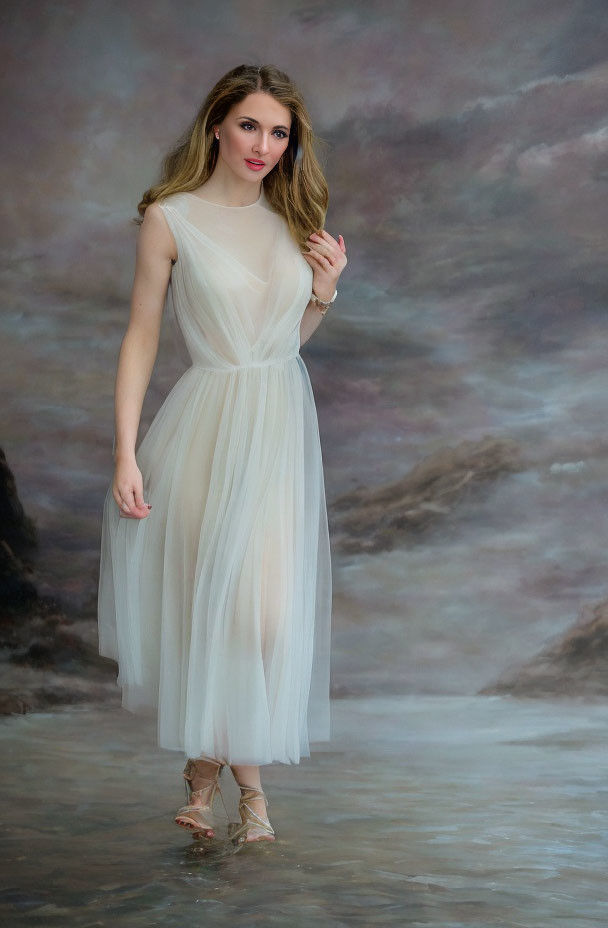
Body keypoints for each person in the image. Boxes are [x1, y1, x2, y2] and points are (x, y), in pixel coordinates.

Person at [97, 63, 347, 845]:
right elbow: (141, 337)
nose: (264, 145)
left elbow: (277, 349)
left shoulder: (291, 220)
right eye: (250, 125)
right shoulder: (171, 218)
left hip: (275, 432)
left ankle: (203, 776)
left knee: (264, 619)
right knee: (221, 610)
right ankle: (253, 799)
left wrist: (324, 295)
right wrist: (125, 452)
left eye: (279, 133)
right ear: (216, 124)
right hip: (203, 430)